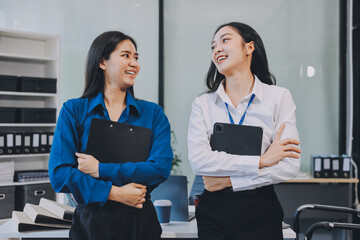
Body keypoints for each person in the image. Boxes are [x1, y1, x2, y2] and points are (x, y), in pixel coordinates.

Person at [48, 31, 173, 240]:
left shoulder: (153, 113)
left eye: (136, 57)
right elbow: (60, 174)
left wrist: (99, 169)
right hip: (91, 224)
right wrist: (115, 193)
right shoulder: (74, 110)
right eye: (125, 55)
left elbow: (159, 168)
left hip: (140, 223)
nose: (134, 63)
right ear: (102, 63)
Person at [187, 22, 301, 240]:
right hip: (215, 213)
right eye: (213, 46)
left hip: (262, 210)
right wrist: (262, 161)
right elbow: (199, 161)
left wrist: (229, 181)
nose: (217, 49)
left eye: (225, 40)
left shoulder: (278, 97)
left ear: (249, 47)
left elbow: (289, 165)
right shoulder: (203, 104)